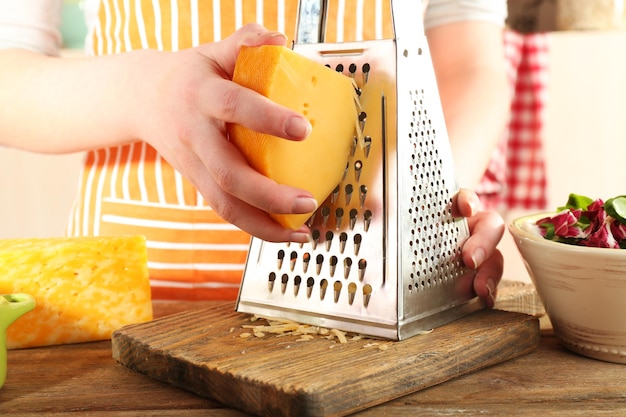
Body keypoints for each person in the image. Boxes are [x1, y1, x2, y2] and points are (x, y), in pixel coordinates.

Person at [0, 0, 506, 305]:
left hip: (372, 287)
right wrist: (144, 91)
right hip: (141, 295)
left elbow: (470, 63)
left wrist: (430, 207)